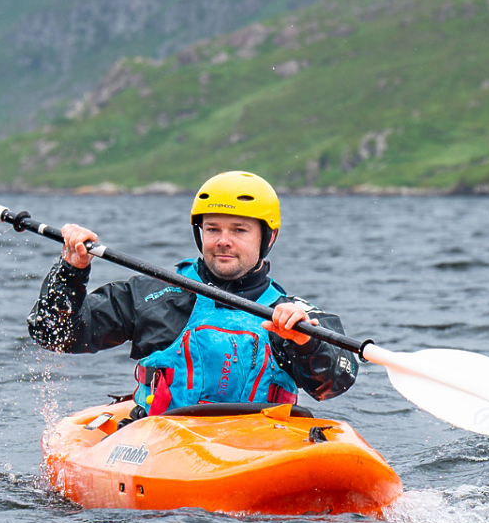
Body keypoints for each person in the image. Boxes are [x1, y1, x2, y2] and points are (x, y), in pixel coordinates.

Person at [27, 170, 356, 417]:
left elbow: (338, 380)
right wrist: (71, 270)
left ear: (267, 238)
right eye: (213, 229)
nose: (222, 241)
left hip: (261, 445)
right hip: (163, 442)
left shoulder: (294, 315)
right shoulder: (154, 295)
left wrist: (306, 343)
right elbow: (53, 333)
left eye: (239, 230)